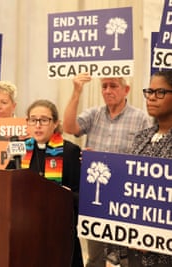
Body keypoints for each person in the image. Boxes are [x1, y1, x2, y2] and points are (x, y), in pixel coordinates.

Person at [63, 73, 151, 267]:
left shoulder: (141, 119)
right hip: (96, 195)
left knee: (128, 257)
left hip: (125, 198)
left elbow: (146, 159)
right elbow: (69, 127)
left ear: (126, 90)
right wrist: (77, 92)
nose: (107, 91)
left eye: (113, 86)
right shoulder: (94, 114)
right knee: (95, 257)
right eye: (104, 86)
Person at [6, 99, 83, 267]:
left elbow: (81, 196)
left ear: (55, 123)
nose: (38, 125)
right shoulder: (20, 149)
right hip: (25, 234)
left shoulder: (69, 151)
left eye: (44, 120)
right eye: (33, 120)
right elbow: (5, 186)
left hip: (58, 234)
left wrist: (63, 195)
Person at [107, 70, 172, 267]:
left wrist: (153, 232)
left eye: (160, 92)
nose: (152, 97)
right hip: (133, 247)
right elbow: (130, 187)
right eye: (149, 91)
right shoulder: (141, 137)